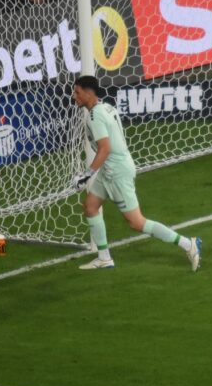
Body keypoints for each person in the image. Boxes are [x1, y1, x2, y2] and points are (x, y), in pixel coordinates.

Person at [71, 75, 202, 271]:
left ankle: (188, 244)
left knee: (136, 222)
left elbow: (104, 149)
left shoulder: (95, 116)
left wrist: (86, 175)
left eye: (77, 92)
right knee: (90, 206)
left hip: (117, 172)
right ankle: (104, 258)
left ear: (89, 93)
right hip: (111, 168)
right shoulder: (106, 107)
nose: (74, 96)